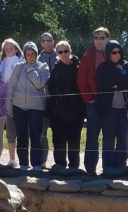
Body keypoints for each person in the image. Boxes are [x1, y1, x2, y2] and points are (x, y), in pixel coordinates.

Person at [6, 42, 49, 169]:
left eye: (32, 54)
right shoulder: (18, 67)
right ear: (24, 55)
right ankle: (24, 163)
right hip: (19, 106)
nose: (30, 56)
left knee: (36, 136)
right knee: (22, 136)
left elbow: (39, 84)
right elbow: (11, 87)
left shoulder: (43, 67)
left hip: (36, 107)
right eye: (28, 54)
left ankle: (36, 164)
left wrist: (31, 70)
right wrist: (9, 105)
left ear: (36, 54)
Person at [95, 41, 128, 171]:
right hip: (109, 110)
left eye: (119, 52)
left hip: (124, 110)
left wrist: (116, 83)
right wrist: (118, 80)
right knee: (108, 139)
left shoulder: (127, 65)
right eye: (114, 52)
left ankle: (120, 165)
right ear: (108, 53)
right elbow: (102, 84)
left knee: (123, 139)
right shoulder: (102, 67)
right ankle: (107, 166)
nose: (117, 55)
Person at [46, 40, 85, 170]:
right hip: (58, 111)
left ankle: (74, 166)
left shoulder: (79, 66)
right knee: (58, 140)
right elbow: (51, 88)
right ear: (57, 53)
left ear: (70, 51)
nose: (64, 54)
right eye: (60, 52)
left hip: (76, 110)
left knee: (74, 140)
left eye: (66, 51)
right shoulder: (55, 68)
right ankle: (60, 165)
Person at [77, 27, 109, 174]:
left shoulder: (114, 53)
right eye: (96, 37)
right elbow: (81, 79)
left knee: (109, 136)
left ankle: (108, 168)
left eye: (102, 37)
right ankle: (90, 170)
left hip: (109, 103)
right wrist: (88, 98)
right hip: (92, 103)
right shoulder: (88, 55)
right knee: (92, 137)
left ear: (107, 39)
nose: (98, 40)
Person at [0, 38, 22, 161]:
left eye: (11, 48)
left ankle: (20, 159)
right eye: (6, 49)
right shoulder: (4, 61)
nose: (8, 50)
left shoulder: (18, 61)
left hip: (17, 98)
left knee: (19, 130)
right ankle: (12, 159)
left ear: (16, 49)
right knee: (10, 130)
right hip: (6, 98)